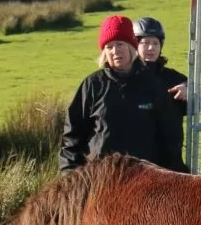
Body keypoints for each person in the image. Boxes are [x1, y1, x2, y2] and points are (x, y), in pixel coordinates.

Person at [59, 14, 189, 174]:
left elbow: (169, 138)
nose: (115, 51)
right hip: (101, 181)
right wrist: (70, 177)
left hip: (144, 181)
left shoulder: (153, 85)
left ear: (131, 47)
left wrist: (175, 178)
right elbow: (73, 136)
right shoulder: (92, 85)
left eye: (120, 44)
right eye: (109, 46)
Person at [133, 16, 201, 164]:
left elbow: (199, 101)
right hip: (136, 165)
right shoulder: (125, 78)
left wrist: (190, 93)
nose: (151, 48)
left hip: (170, 163)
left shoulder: (173, 78)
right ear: (135, 45)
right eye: (145, 43)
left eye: (155, 43)